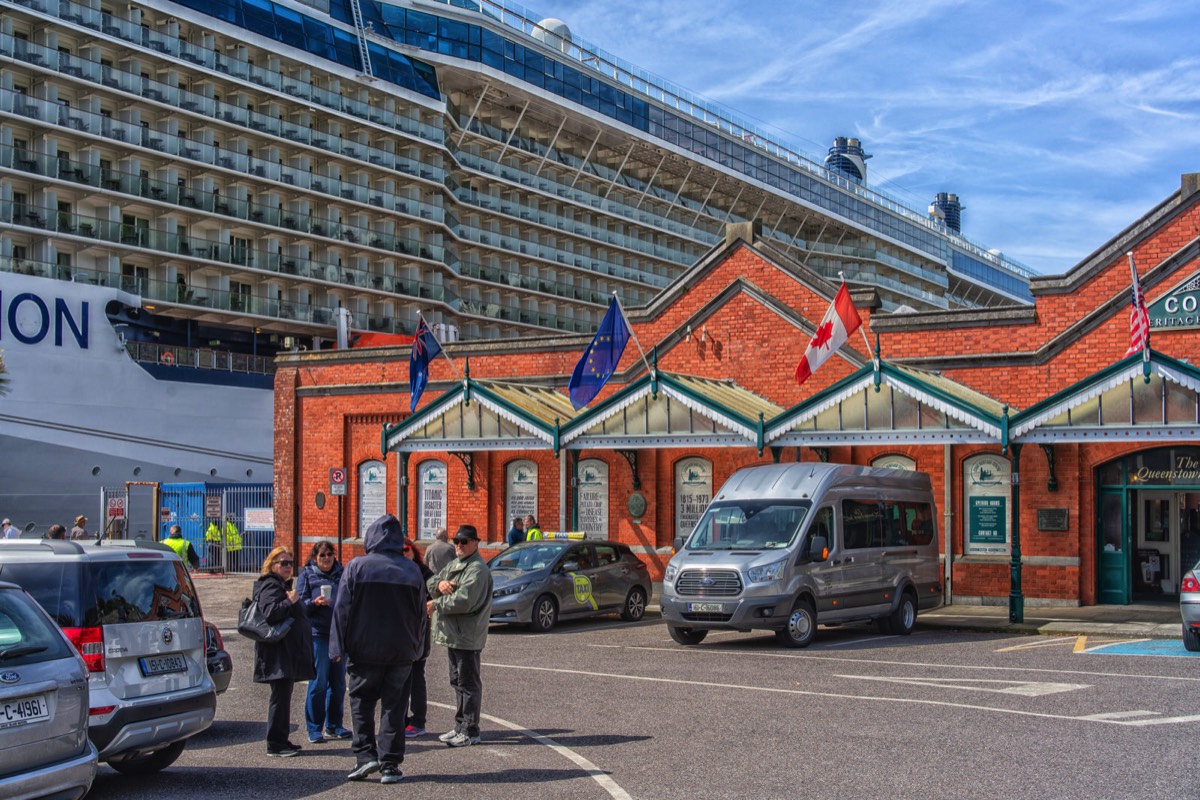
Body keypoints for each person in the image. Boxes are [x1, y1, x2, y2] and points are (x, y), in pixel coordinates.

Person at [331, 514, 426, 785]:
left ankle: (365, 756)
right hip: (401, 651)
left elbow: (341, 610)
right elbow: (420, 615)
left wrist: (337, 647)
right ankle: (390, 764)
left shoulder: (356, 567)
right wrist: (416, 647)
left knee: (361, 703)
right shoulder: (412, 570)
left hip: (364, 650)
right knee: (395, 708)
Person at [427, 524, 493, 748]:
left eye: (464, 541)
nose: (459, 545)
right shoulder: (457, 564)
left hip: (467, 635)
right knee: (457, 681)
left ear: (476, 543)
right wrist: (442, 583)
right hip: (454, 634)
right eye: (456, 541)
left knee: (468, 683)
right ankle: (459, 726)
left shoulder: (477, 569)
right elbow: (432, 581)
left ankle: (470, 730)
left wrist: (436, 604)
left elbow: (464, 600)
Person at [252, 546, 315, 758]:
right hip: (277, 653)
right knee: (279, 698)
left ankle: (282, 739)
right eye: (283, 563)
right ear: (272, 565)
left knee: (284, 696)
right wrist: (290, 601)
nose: (288, 567)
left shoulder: (281, 585)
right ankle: (275, 744)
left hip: (285, 652)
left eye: (290, 563)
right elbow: (271, 613)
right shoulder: (270, 585)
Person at [295, 541, 352, 744]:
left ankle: (334, 726)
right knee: (318, 682)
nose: (326, 558)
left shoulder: (342, 573)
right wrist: (314, 603)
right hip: (318, 634)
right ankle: (314, 728)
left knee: (338, 683)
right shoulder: (308, 575)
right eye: (322, 555)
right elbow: (299, 605)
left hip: (339, 635)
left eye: (329, 554)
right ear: (315, 558)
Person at [402, 538, 433, 739]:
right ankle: (402, 719)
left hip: (419, 631)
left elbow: (433, 596)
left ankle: (418, 720)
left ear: (413, 551)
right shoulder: (395, 572)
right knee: (399, 678)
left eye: (406, 549)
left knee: (416, 675)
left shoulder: (423, 573)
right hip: (400, 632)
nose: (403, 553)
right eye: (399, 550)